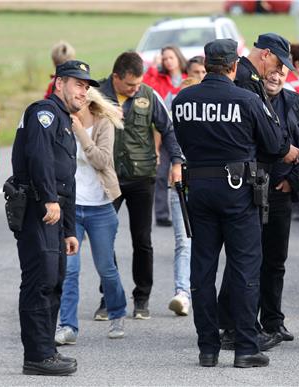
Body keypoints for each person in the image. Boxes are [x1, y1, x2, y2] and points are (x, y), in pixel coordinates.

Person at [172, 38, 289, 368]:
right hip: (237, 189)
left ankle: (207, 348)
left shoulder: (183, 99)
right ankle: (245, 347)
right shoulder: (247, 99)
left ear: (207, 64)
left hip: (198, 189)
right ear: (234, 66)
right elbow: (275, 143)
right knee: (245, 268)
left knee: (203, 270)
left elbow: (181, 139)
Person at [11, 60, 99, 375]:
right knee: (40, 281)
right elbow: (39, 158)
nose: (84, 91)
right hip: (39, 208)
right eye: (79, 83)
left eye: (87, 86)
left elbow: (68, 178)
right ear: (59, 83)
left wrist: (69, 229)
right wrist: (48, 197)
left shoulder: (64, 119)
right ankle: (36, 356)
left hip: (55, 213)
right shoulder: (44, 113)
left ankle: (46, 349)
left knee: (55, 280)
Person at [217, 32, 299, 350]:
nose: (279, 71)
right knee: (244, 259)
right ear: (265, 54)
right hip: (243, 177)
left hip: (250, 177)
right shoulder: (245, 80)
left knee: (251, 258)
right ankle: (234, 327)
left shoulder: (246, 77)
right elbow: (259, 132)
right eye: (279, 62)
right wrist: (283, 149)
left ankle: (243, 324)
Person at [96, 51, 183, 320]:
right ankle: (108, 297)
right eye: (130, 85)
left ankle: (141, 297)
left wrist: (177, 162)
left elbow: (168, 129)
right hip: (108, 179)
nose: (135, 89)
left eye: (138, 84)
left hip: (142, 177)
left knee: (142, 240)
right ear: (116, 78)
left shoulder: (148, 94)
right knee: (104, 241)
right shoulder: (95, 94)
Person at [54, 87, 128, 345]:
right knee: (70, 270)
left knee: (106, 268)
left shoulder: (103, 123)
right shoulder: (61, 122)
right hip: (71, 208)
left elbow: (102, 160)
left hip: (100, 206)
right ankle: (67, 326)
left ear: (87, 100)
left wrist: (81, 135)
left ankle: (117, 313)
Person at [257, 67, 299, 340]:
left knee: (275, 261)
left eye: (282, 73)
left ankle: (273, 320)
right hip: (248, 193)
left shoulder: (295, 103)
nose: (276, 77)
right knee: (247, 260)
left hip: (280, 194)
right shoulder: (249, 98)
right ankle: (242, 323)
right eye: (271, 72)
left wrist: (294, 181)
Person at [143, 46, 188, 228]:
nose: (168, 61)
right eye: (164, 58)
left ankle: (186, 208)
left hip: (184, 134)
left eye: (171, 57)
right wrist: (153, 68)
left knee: (182, 173)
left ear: (178, 57)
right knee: (161, 174)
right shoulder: (160, 79)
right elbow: (145, 85)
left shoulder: (187, 79)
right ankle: (162, 213)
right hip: (163, 133)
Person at [167, 76, 200, 317]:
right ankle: (182, 292)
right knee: (184, 242)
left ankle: (199, 290)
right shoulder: (174, 125)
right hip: (179, 189)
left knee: (204, 245)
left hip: (204, 189)